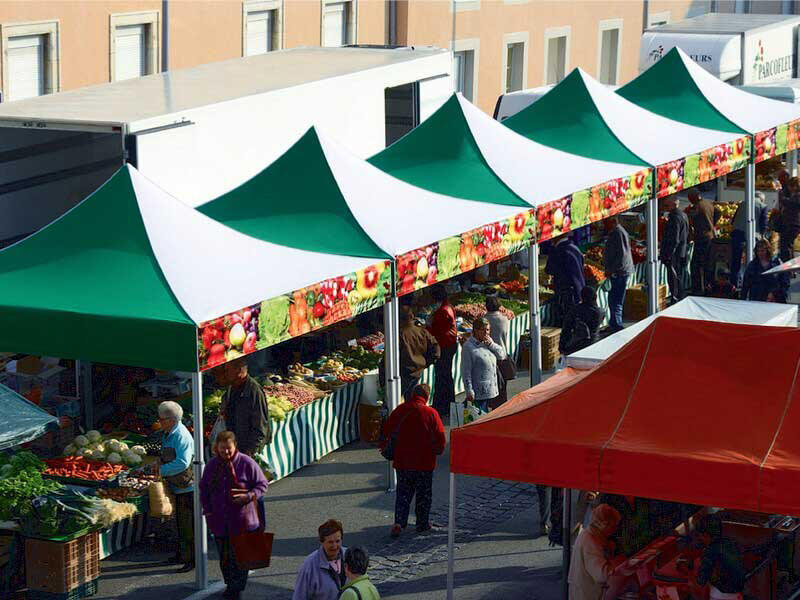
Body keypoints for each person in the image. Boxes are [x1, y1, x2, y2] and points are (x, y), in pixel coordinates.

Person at [199, 431, 268, 600]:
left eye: (228, 448)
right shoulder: (212, 465)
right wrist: (208, 511)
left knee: (241, 557)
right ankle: (231, 584)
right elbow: (204, 489)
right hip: (220, 520)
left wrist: (249, 496)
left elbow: (262, 484)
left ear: (235, 446)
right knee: (224, 557)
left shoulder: (247, 463)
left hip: (242, 519)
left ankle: (236, 587)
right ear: (217, 448)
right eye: (222, 449)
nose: (226, 452)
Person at [382, 383, 446, 538]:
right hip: (424, 462)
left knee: (403, 493)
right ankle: (422, 523)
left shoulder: (400, 410)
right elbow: (440, 437)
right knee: (423, 495)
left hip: (403, 462)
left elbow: (387, 430)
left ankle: (399, 522)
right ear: (427, 396)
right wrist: (438, 450)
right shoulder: (430, 413)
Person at [156, 400, 196, 572]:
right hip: (176, 485)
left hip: (186, 487)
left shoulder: (181, 436)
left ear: (171, 420)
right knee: (180, 524)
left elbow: (182, 462)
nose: (159, 421)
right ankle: (181, 554)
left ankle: (191, 560)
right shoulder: (169, 433)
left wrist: (161, 470)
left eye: (162, 419)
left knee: (188, 525)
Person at [568, 504, 625, 600]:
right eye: (613, 526)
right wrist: (617, 562)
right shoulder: (590, 542)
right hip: (587, 594)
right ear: (604, 524)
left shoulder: (590, 535)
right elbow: (602, 575)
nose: (615, 530)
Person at [691, 513, 746, 600]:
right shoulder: (729, 543)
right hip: (738, 593)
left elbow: (700, 581)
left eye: (699, 535)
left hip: (721, 595)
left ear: (705, 534)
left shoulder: (710, 552)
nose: (699, 539)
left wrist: (687, 571)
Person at [293, 519, 348, 600]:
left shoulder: (350, 556)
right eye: (330, 542)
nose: (335, 546)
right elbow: (299, 596)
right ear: (321, 542)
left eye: (337, 541)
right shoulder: (310, 565)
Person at [461, 317, 507, 413]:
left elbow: (502, 355)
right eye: (483, 330)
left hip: (493, 390)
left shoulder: (488, 342)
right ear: (475, 330)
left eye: (488, 330)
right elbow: (466, 371)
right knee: (479, 418)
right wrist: (469, 390)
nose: (486, 333)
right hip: (479, 393)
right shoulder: (468, 347)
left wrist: (491, 344)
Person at [398, 305, 440, 400]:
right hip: (417, 370)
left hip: (405, 372)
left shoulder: (400, 334)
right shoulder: (421, 330)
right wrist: (427, 362)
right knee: (412, 398)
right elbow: (436, 348)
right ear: (412, 316)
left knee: (403, 399)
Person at [428, 286, 457, 417]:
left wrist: (427, 328)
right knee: (445, 375)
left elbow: (437, 330)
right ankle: (446, 403)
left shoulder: (443, 311)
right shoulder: (448, 307)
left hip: (445, 346)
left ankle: (442, 405)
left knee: (442, 376)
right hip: (449, 344)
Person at [730, 191, 768, 289]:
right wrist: (763, 236)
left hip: (737, 233)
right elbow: (764, 224)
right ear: (762, 199)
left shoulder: (743, 203)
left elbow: (733, 220)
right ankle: (752, 283)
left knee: (736, 260)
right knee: (752, 260)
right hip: (752, 235)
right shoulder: (763, 206)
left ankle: (734, 284)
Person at [545, 234, 585, 326]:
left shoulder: (558, 251)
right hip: (579, 288)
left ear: (556, 237)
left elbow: (549, 269)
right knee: (576, 318)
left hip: (566, 292)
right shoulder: (575, 248)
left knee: (568, 320)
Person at [602, 217, 634, 333]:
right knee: (614, 299)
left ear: (613, 222)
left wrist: (611, 269)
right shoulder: (617, 232)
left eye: (606, 223)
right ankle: (614, 323)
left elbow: (622, 255)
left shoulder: (618, 233)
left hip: (620, 272)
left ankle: (616, 325)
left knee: (616, 299)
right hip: (620, 271)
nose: (604, 225)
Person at [688, 189, 720, 295]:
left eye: (690, 198)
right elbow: (718, 212)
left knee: (697, 265)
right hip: (710, 236)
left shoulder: (696, 207)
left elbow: (691, 218)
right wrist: (713, 223)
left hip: (702, 238)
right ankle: (708, 286)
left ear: (695, 197)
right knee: (709, 263)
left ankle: (698, 289)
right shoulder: (708, 203)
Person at [660, 195, 689, 304]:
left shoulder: (674, 217)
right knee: (678, 276)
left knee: (673, 277)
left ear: (673, 204)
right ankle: (678, 296)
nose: (665, 206)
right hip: (682, 251)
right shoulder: (683, 215)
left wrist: (669, 254)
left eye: (666, 204)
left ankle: (676, 298)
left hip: (675, 253)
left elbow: (674, 238)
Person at [559, 285, 604, 355]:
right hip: (595, 343)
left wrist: (562, 347)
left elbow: (566, 329)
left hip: (578, 345)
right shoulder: (601, 311)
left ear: (582, 297)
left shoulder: (575, 310)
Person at [485, 295, 511, 408]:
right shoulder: (504, 319)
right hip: (503, 356)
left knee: (493, 387)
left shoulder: (485, 320)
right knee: (502, 387)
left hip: (490, 357)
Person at [742, 238, 789, 302]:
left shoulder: (777, 262)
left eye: (762, 251)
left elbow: (785, 281)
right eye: (758, 251)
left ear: (768, 250)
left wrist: (776, 294)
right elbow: (745, 284)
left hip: (775, 299)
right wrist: (742, 300)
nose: (760, 253)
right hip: (757, 299)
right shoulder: (752, 265)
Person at [779, 175, 800, 262]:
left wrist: (781, 196)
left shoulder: (797, 196)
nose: (789, 188)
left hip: (793, 224)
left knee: (787, 246)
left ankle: (788, 267)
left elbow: (790, 203)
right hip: (793, 223)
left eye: (790, 186)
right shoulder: (794, 195)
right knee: (788, 245)